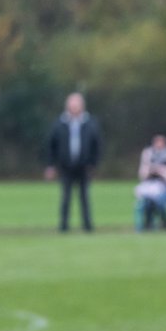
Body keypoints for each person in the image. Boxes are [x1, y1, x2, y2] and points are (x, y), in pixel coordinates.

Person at [45, 92, 102, 233]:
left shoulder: (90, 123)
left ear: (82, 106)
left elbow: (97, 145)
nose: (74, 107)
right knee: (65, 197)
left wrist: (93, 163)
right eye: (72, 104)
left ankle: (87, 226)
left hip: (84, 166)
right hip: (66, 166)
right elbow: (51, 145)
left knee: (84, 197)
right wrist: (51, 165)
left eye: (77, 104)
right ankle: (63, 226)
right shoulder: (59, 123)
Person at [135, 134, 166, 231]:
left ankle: (164, 224)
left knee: (158, 201)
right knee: (148, 201)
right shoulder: (148, 154)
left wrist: (162, 172)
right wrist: (151, 172)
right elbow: (142, 174)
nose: (158, 145)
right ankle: (149, 224)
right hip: (152, 186)